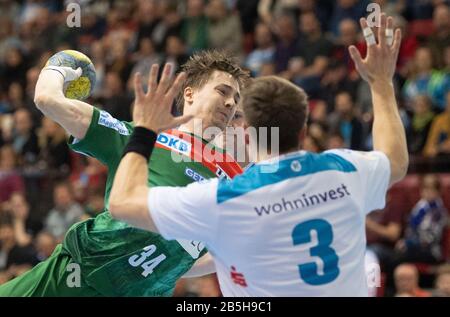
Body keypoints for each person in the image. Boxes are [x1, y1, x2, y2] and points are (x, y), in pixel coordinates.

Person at [109, 14, 409, 296]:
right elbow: (395, 160)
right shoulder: (345, 170)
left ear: (248, 133)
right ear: (303, 130)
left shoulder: (223, 198)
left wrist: (145, 128)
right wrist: (381, 83)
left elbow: (122, 204)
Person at [0, 50, 249, 296]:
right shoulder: (143, 136)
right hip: (77, 276)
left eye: (236, 99)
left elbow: (187, 261)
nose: (230, 103)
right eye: (223, 91)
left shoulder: (233, 180)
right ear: (189, 93)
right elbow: (46, 98)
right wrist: (58, 67)